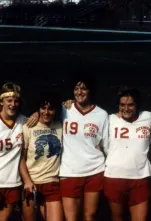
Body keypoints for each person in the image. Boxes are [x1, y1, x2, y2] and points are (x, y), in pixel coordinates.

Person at [60, 75, 109, 221]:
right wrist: (36, 114)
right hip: (70, 171)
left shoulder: (101, 114)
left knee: (90, 216)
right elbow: (45, 114)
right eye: (76, 88)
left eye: (83, 88)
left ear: (90, 90)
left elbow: (107, 146)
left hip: (94, 170)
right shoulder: (65, 109)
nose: (79, 92)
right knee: (71, 218)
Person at [104, 88, 151, 221]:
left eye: (130, 104)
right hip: (114, 176)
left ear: (137, 105)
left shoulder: (148, 117)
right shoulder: (109, 119)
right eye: (122, 105)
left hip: (140, 177)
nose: (126, 108)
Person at [0, 82, 29, 221]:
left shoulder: (24, 122)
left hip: (12, 183)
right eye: (9, 100)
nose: (13, 104)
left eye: (16, 101)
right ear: (1, 102)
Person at [21, 91, 63, 221]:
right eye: (43, 108)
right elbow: (21, 158)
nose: (46, 112)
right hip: (32, 183)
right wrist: (27, 180)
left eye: (50, 109)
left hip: (52, 183)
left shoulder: (60, 126)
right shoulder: (28, 127)